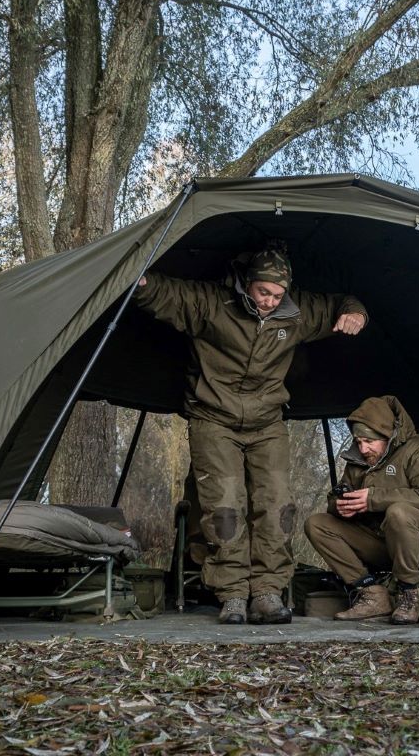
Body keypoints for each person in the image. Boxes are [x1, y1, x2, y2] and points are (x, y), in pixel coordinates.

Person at [134, 244, 367, 624]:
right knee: (224, 506)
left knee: (277, 505)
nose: (271, 301)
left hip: (267, 422)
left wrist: (355, 313)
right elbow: (166, 294)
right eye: (264, 293)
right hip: (213, 418)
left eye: (278, 295)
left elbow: (341, 302)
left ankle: (268, 592)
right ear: (247, 283)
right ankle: (233, 595)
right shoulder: (212, 304)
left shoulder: (295, 313)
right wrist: (139, 281)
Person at [304, 395, 419, 624]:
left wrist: (373, 498)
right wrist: (341, 507)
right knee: (317, 524)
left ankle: (408, 594)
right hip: (382, 540)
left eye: (369, 441)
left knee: (399, 513)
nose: (363, 448)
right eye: (358, 441)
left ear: (387, 435)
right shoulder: (358, 461)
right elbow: (334, 498)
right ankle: (371, 594)